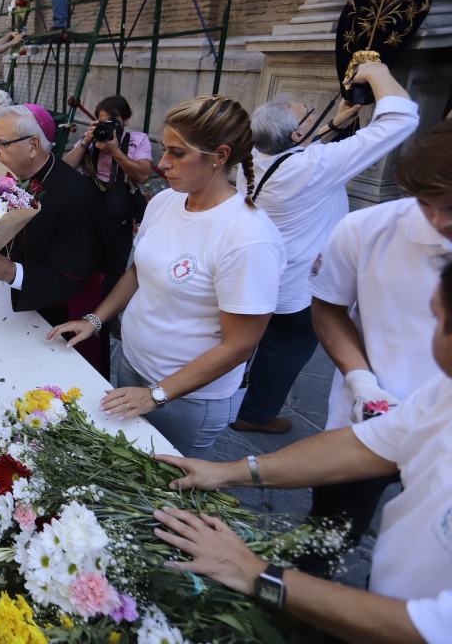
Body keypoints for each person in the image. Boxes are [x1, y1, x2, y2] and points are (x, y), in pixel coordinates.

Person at [148, 258, 452, 644]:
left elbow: (426, 628)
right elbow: (368, 445)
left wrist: (256, 575)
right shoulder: (444, 392)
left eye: (436, 320)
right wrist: (227, 472)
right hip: (391, 589)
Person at [50, 96, 285, 456]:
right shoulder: (165, 202)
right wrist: (96, 320)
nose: (162, 164)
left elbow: (240, 344)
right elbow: (137, 272)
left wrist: (158, 394)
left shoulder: (247, 237)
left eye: (178, 154)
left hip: (189, 398)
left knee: (166, 488)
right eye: (165, 150)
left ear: (219, 156)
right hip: (134, 367)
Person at [230, 63, 419, 434]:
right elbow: (400, 120)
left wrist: (333, 124)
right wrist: (377, 71)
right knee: (286, 350)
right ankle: (256, 415)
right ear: (299, 133)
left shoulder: (253, 160)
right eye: (309, 116)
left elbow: (296, 154)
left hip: (260, 277)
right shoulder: (313, 166)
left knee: (251, 339)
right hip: (297, 289)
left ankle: (230, 394)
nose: (314, 116)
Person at [302, 116, 452, 575]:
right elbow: (328, 308)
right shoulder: (365, 229)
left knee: (424, 558)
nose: (442, 221)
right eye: (428, 204)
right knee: (324, 539)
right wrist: (362, 380)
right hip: (365, 415)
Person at [0, 105, 108, 367]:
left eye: (1, 143)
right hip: (10, 311)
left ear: (33, 146)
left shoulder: (76, 195)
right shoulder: (6, 178)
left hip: (55, 324)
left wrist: (12, 272)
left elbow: (74, 277)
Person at [62, 95, 154, 285]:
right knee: (85, 256)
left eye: (114, 122)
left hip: (118, 210)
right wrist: (85, 141)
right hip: (89, 207)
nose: (108, 128)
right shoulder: (90, 138)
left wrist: (116, 152)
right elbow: (66, 169)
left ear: (126, 120)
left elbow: (143, 175)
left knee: (114, 262)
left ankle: (107, 303)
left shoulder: (138, 139)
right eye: (103, 123)